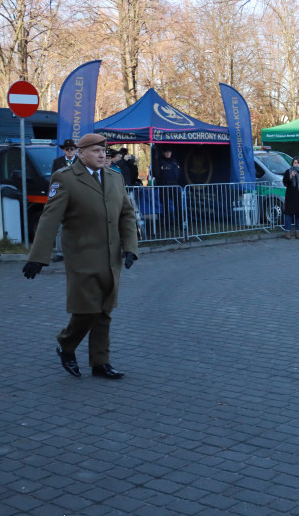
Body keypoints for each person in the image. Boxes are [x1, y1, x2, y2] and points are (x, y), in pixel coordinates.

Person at [22, 133, 138, 380]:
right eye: (95, 151)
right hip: (83, 255)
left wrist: (130, 247)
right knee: (87, 309)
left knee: (105, 310)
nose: (101, 155)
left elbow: (126, 214)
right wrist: (38, 256)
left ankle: (100, 362)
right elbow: (50, 218)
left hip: (111, 256)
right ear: (81, 152)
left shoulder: (114, 178)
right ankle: (66, 344)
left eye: (103, 152)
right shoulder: (65, 179)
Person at [154, 146, 183, 235]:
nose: (168, 153)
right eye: (166, 152)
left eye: (169, 152)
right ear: (163, 153)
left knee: (178, 205)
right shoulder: (160, 162)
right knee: (166, 207)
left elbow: (179, 172)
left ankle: (181, 224)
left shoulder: (174, 161)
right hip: (165, 186)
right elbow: (156, 174)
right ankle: (167, 225)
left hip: (175, 186)